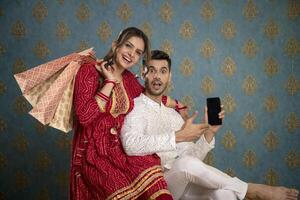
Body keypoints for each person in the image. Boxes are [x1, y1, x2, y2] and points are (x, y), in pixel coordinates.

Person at [121, 50, 299, 200]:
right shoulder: (134, 107)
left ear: (170, 76)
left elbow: (193, 160)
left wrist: (209, 133)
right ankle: (253, 190)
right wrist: (177, 136)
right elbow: (130, 145)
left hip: (181, 180)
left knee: (224, 193)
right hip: (152, 185)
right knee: (186, 164)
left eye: (163, 71)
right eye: (151, 70)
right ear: (144, 73)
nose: (157, 76)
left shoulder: (174, 115)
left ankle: (240, 190)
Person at [71, 27, 184, 200]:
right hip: (93, 157)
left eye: (138, 52)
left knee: (159, 191)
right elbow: (85, 117)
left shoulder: (130, 81)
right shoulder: (90, 71)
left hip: (122, 152)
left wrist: (178, 105)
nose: (131, 54)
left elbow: (149, 97)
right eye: (128, 46)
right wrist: (109, 82)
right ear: (116, 45)